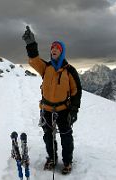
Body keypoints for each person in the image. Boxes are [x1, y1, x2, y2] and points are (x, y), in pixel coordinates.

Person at [22, 26, 82, 174]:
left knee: (66, 136)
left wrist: (73, 110)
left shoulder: (69, 70)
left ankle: (67, 162)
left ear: (62, 51)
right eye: (52, 48)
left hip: (63, 110)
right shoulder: (46, 67)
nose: (54, 49)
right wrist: (31, 44)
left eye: (57, 48)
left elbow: (76, 91)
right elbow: (34, 60)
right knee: (48, 136)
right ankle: (52, 158)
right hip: (46, 109)